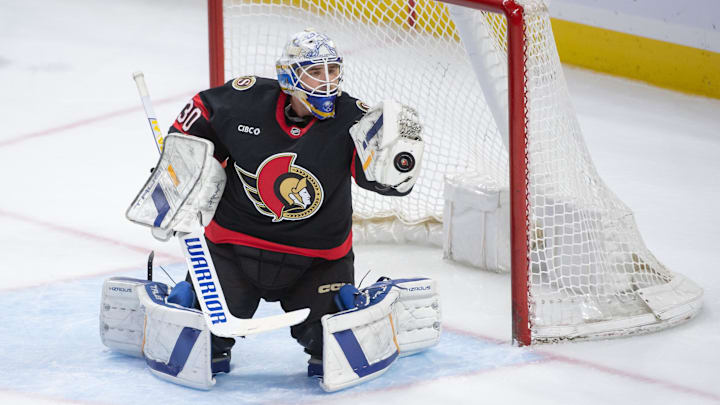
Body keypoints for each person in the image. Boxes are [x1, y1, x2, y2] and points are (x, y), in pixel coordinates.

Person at [165, 29, 422, 374]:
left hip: (316, 260)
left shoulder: (354, 120)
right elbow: (196, 115)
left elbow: (383, 182)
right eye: (315, 72)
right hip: (233, 248)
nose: (328, 81)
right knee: (201, 342)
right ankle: (186, 299)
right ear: (288, 76)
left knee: (334, 348)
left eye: (333, 70)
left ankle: (356, 304)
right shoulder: (244, 102)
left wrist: (398, 165)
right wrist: (178, 157)